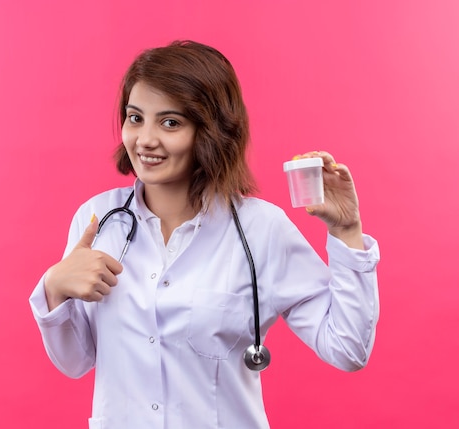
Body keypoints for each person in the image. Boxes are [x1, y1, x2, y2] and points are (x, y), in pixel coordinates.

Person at [30, 40, 380, 429]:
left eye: (170, 122)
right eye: (135, 118)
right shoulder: (97, 222)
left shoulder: (260, 230)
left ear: (212, 130)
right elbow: (75, 362)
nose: (144, 140)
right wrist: (55, 287)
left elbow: (347, 349)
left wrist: (346, 231)